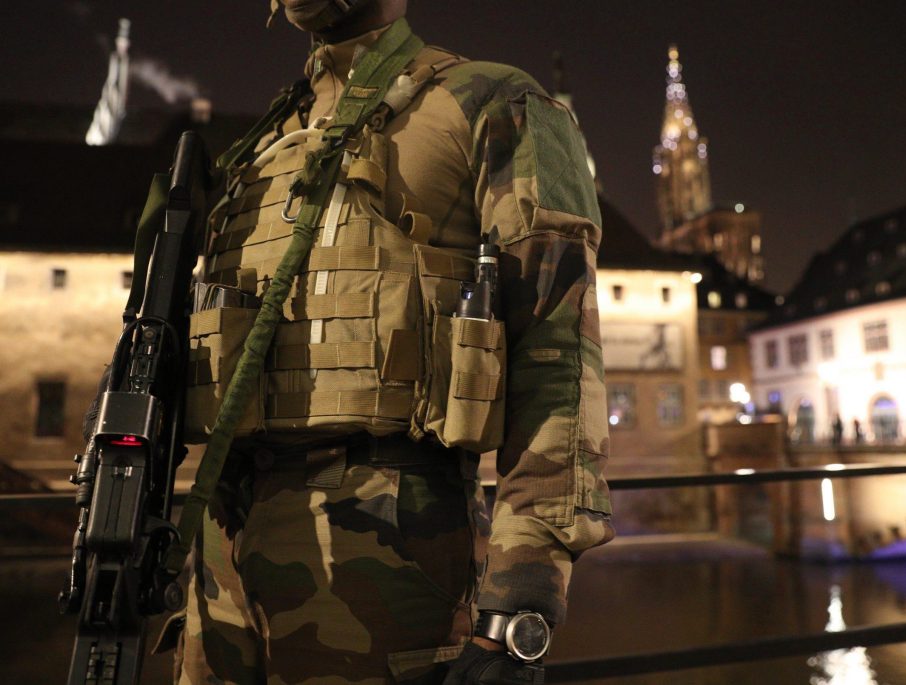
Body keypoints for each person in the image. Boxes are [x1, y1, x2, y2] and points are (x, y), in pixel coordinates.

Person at [170, 1, 613, 683]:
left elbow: (557, 355)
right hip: (223, 550)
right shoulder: (261, 142)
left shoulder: (494, 103)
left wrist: (522, 597)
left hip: (388, 550)